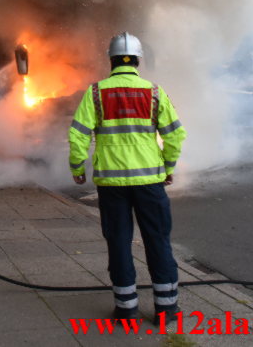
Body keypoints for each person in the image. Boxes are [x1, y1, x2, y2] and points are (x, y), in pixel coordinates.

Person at [68, 32, 187, 324]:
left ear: (111, 60)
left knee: (119, 243)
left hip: (111, 186)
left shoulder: (95, 93)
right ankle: (166, 308)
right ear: (137, 60)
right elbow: (175, 134)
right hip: (150, 183)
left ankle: (126, 308)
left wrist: (77, 168)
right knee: (157, 241)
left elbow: (78, 135)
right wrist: (168, 167)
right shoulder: (154, 92)